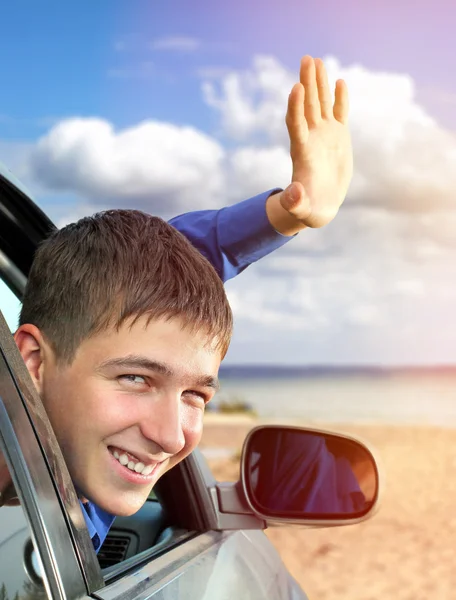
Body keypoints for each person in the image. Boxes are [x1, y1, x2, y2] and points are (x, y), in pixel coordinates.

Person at [0, 54, 353, 552]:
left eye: (195, 396)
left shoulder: (78, 470)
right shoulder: (86, 470)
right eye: (136, 379)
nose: (171, 438)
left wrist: (285, 215)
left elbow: (142, 282)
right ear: (32, 361)